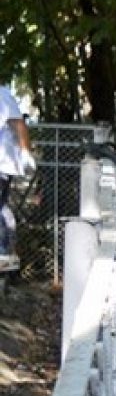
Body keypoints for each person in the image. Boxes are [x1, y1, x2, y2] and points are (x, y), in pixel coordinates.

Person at [0, 85, 36, 270]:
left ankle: (4, 253)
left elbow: (19, 124)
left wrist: (25, 152)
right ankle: (6, 252)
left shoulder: (2, 94)